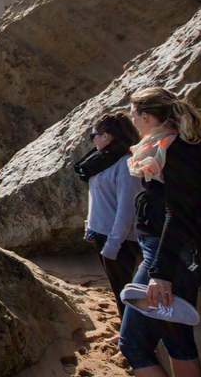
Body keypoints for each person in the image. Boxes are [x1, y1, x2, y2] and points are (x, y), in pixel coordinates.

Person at [118, 87, 201, 377]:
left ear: (145, 116)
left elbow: (177, 214)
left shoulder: (175, 151)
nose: (130, 119)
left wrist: (160, 273)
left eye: (132, 113)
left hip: (172, 255)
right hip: (173, 251)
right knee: (177, 341)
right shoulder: (171, 146)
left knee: (134, 345)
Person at [73, 111, 142, 330]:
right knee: (117, 288)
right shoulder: (103, 162)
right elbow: (98, 199)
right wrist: (90, 225)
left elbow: (126, 209)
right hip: (102, 234)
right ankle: (126, 332)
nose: (92, 140)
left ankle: (131, 338)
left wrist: (114, 244)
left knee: (124, 290)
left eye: (93, 135)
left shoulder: (125, 163)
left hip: (120, 240)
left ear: (107, 135)